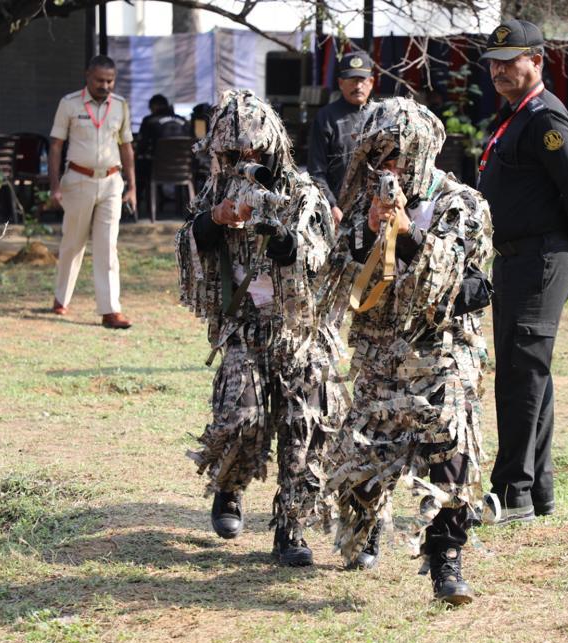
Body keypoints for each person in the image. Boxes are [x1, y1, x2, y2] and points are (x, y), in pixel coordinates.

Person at [318, 97, 493, 606]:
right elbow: (336, 278)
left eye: (396, 156)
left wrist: (407, 236)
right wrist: (367, 233)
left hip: (440, 357)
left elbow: (467, 285)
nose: (388, 168)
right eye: (379, 157)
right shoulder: (363, 206)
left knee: (451, 461)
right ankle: (367, 524)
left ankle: (446, 560)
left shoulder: (460, 203)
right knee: (359, 467)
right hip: (378, 361)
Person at [175, 89, 342, 566]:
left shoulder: (304, 192)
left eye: (253, 151)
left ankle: (292, 526)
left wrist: (281, 236)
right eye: (232, 153)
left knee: (304, 429)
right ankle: (228, 487)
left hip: (300, 328)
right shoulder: (214, 191)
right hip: (244, 326)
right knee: (240, 418)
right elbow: (187, 244)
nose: (244, 160)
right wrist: (216, 219)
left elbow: (318, 260)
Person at [475, 19, 568, 525]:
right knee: (529, 371)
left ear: (538, 59)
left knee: (520, 373)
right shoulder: (518, 115)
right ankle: (539, 490)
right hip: (516, 257)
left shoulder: (546, 117)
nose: (499, 70)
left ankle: (510, 492)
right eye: (493, 63)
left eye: (510, 60)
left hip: (541, 258)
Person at [49, 55, 136, 329]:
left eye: (110, 81)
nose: (105, 85)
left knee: (107, 246)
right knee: (73, 243)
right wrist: (54, 186)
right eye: (100, 80)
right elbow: (55, 146)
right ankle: (61, 297)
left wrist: (132, 186)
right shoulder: (69, 103)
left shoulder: (120, 106)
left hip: (111, 181)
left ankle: (110, 310)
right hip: (78, 180)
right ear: (88, 76)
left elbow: (126, 147)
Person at [307, 51, 375, 228]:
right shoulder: (327, 118)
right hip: (338, 213)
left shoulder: (382, 117)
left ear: (371, 82)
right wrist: (331, 205)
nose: (358, 86)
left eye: (362, 80)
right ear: (340, 83)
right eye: (352, 80)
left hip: (375, 213)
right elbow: (316, 171)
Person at [136, 94, 190, 210]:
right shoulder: (184, 121)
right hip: (184, 170)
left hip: (158, 169)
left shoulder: (149, 120)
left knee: (138, 167)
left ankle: (135, 206)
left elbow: (142, 147)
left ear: (154, 106)